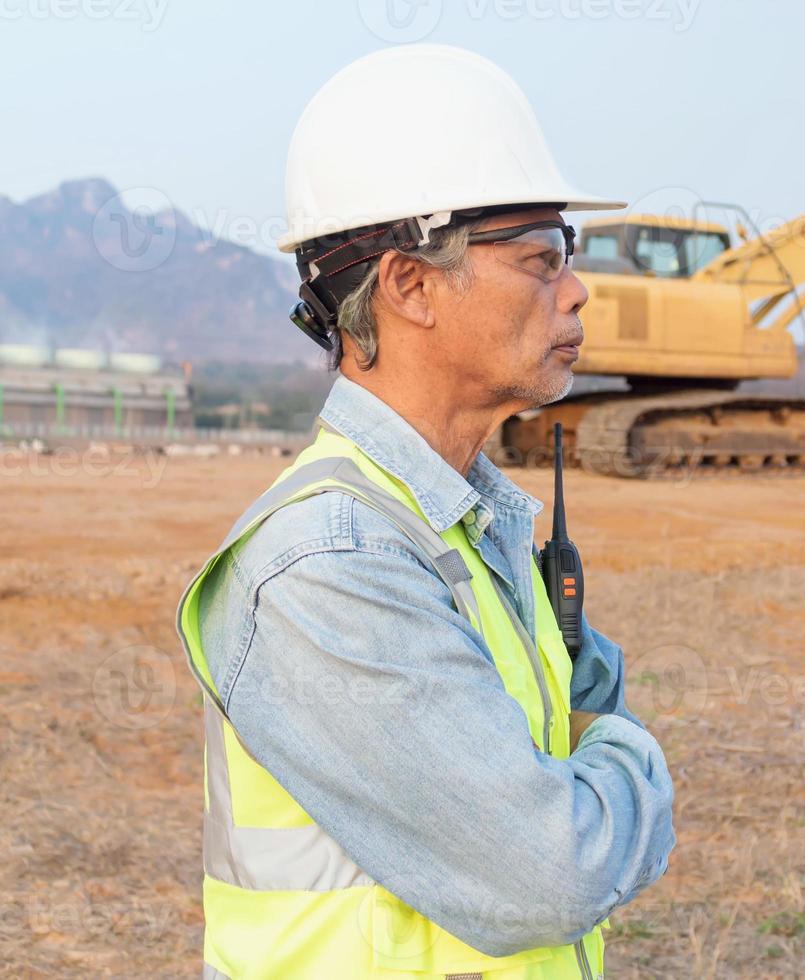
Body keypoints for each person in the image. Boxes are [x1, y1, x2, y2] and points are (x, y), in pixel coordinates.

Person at [174, 44, 674, 979]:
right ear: (410, 285)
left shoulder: (459, 525)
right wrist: (636, 759)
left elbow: (584, 704)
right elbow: (551, 874)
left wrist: (592, 758)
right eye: (539, 258)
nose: (576, 290)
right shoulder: (329, 561)